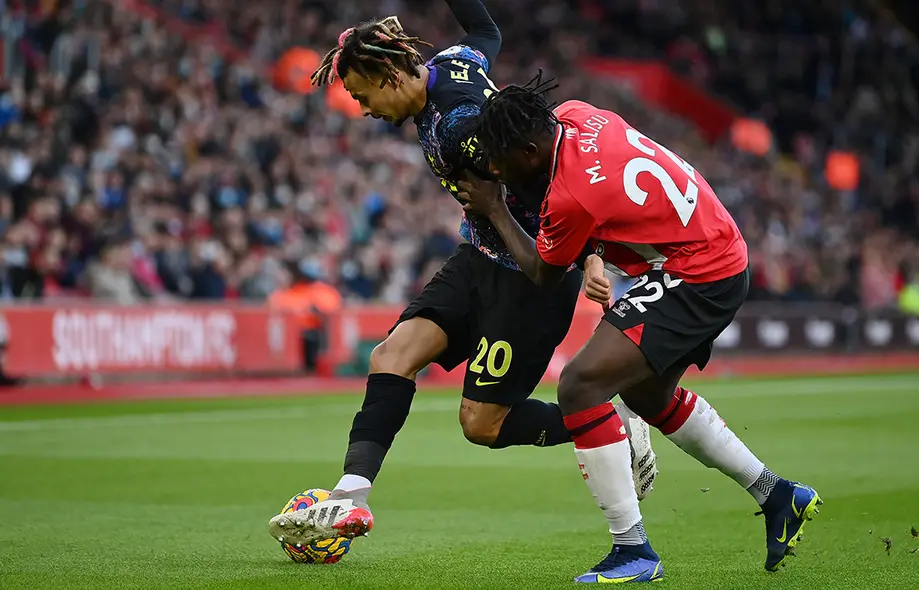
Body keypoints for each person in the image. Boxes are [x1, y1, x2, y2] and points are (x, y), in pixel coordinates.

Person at [268, 1, 657, 548]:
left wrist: (589, 253)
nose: (363, 109)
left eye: (362, 95)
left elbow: (547, 178)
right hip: (477, 257)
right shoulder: (456, 61)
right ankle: (351, 498)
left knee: (482, 425)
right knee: (391, 356)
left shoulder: (461, 127)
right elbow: (484, 29)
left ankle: (607, 421)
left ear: (389, 74)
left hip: (530, 278)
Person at [455, 74, 822, 582]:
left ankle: (633, 550)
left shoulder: (571, 196)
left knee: (580, 385)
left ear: (531, 150)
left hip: (696, 270)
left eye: (501, 159)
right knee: (647, 396)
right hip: (711, 247)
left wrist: (495, 207)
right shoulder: (578, 113)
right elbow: (609, 198)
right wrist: (595, 254)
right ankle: (778, 495)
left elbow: (542, 272)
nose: (495, 169)